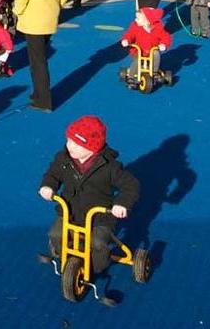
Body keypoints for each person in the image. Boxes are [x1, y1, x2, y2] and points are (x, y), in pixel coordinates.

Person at [38, 116, 140, 294]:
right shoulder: (64, 159)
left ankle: (94, 267)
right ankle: (65, 256)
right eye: (69, 140)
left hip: (99, 217)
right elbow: (52, 174)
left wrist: (121, 204)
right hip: (70, 212)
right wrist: (48, 186)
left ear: (92, 148)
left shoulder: (109, 167)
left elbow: (131, 186)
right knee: (56, 234)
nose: (70, 146)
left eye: (76, 144)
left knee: (98, 243)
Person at [13, 0, 69, 112]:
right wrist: (55, 7)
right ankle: (38, 93)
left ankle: (44, 100)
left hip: (33, 18)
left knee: (37, 62)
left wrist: (17, 11)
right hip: (49, 17)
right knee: (40, 58)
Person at [120, 6, 170, 80]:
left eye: (138, 18)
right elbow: (130, 34)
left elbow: (166, 37)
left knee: (156, 54)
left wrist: (163, 44)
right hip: (139, 50)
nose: (135, 20)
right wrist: (126, 40)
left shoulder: (158, 28)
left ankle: (154, 73)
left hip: (152, 50)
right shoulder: (135, 26)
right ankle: (131, 76)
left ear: (147, 21)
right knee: (138, 60)